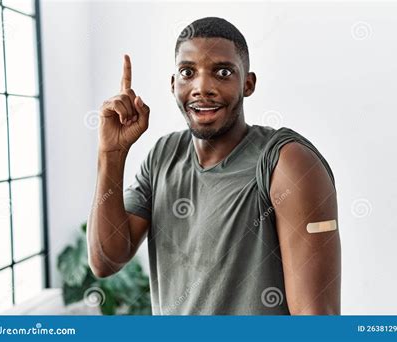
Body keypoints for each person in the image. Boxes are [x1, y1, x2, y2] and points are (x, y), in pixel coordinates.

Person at [87, 17, 341, 315]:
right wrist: (111, 155)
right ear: (173, 84)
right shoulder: (162, 156)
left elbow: (317, 320)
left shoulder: (287, 162)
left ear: (248, 83)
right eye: (187, 72)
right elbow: (106, 261)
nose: (202, 87)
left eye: (222, 72)